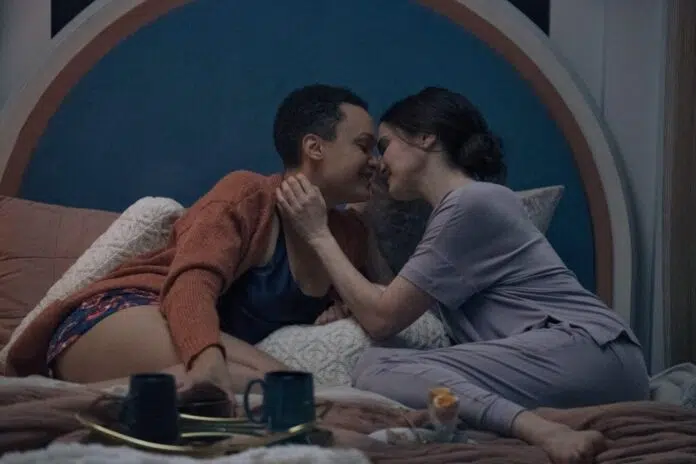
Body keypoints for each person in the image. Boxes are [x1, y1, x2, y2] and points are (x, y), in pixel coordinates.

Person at [276, 87, 650, 464]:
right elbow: (390, 300)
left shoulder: (472, 203)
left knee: (377, 367)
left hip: (589, 350)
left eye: (385, 146)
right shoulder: (459, 214)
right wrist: (364, 244)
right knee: (404, 379)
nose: (379, 163)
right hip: (589, 364)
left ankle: (540, 429)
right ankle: (521, 424)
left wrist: (318, 234)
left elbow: (382, 318)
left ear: (426, 138)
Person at [3, 84, 391, 401]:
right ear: (314, 147)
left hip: (197, 347)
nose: (375, 160)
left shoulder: (347, 235)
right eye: (364, 146)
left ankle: (59, 398)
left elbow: (381, 303)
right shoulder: (248, 194)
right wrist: (208, 367)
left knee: (290, 392)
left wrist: (341, 304)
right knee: (288, 392)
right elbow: (190, 285)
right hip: (124, 316)